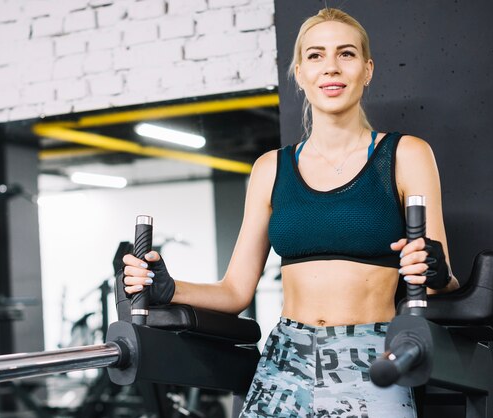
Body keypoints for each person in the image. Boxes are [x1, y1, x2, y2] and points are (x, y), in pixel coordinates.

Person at [123, 8, 459, 418]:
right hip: (285, 359)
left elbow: (439, 277)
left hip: (372, 353)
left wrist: (437, 272)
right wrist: (170, 289)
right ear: (299, 73)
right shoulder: (270, 168)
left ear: (367, 69)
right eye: (315, 56)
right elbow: (234, 292)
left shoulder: (406, 154)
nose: (331, 67)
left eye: (346, 54)